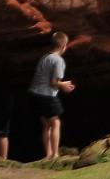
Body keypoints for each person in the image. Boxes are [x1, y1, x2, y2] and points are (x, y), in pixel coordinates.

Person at [28, 32, 76, 161]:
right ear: (64, 46)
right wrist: (64, 86)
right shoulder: (58, 60)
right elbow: (53, 82)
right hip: (46, 95)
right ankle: (55, 155)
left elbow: (45, 78)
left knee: (46, 124)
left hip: (35, 94)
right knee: (56, 123)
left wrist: (62, 83)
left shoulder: (45, 57)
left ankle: (48, 154)